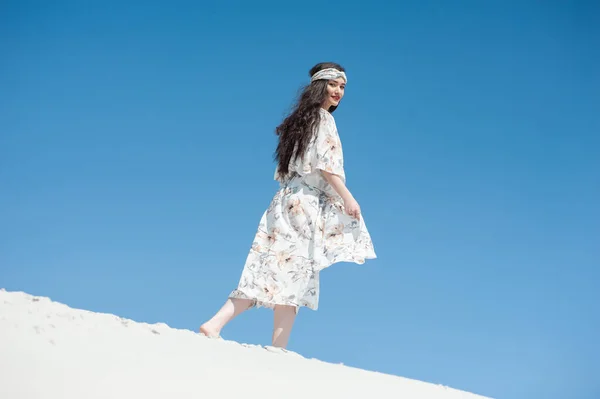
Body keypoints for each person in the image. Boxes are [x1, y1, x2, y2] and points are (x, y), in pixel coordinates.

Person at [199, 62, 376, 349]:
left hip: (284, 201)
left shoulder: (299, 122)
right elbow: (326, 165)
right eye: (333, 84)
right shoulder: (323, 120)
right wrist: (348, 197)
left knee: (275, 268)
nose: (339, 91)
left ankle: (232, 330)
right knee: (294, 272)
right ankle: (268, 345)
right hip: (303, 206)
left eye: (342, 87)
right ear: (320, 86)